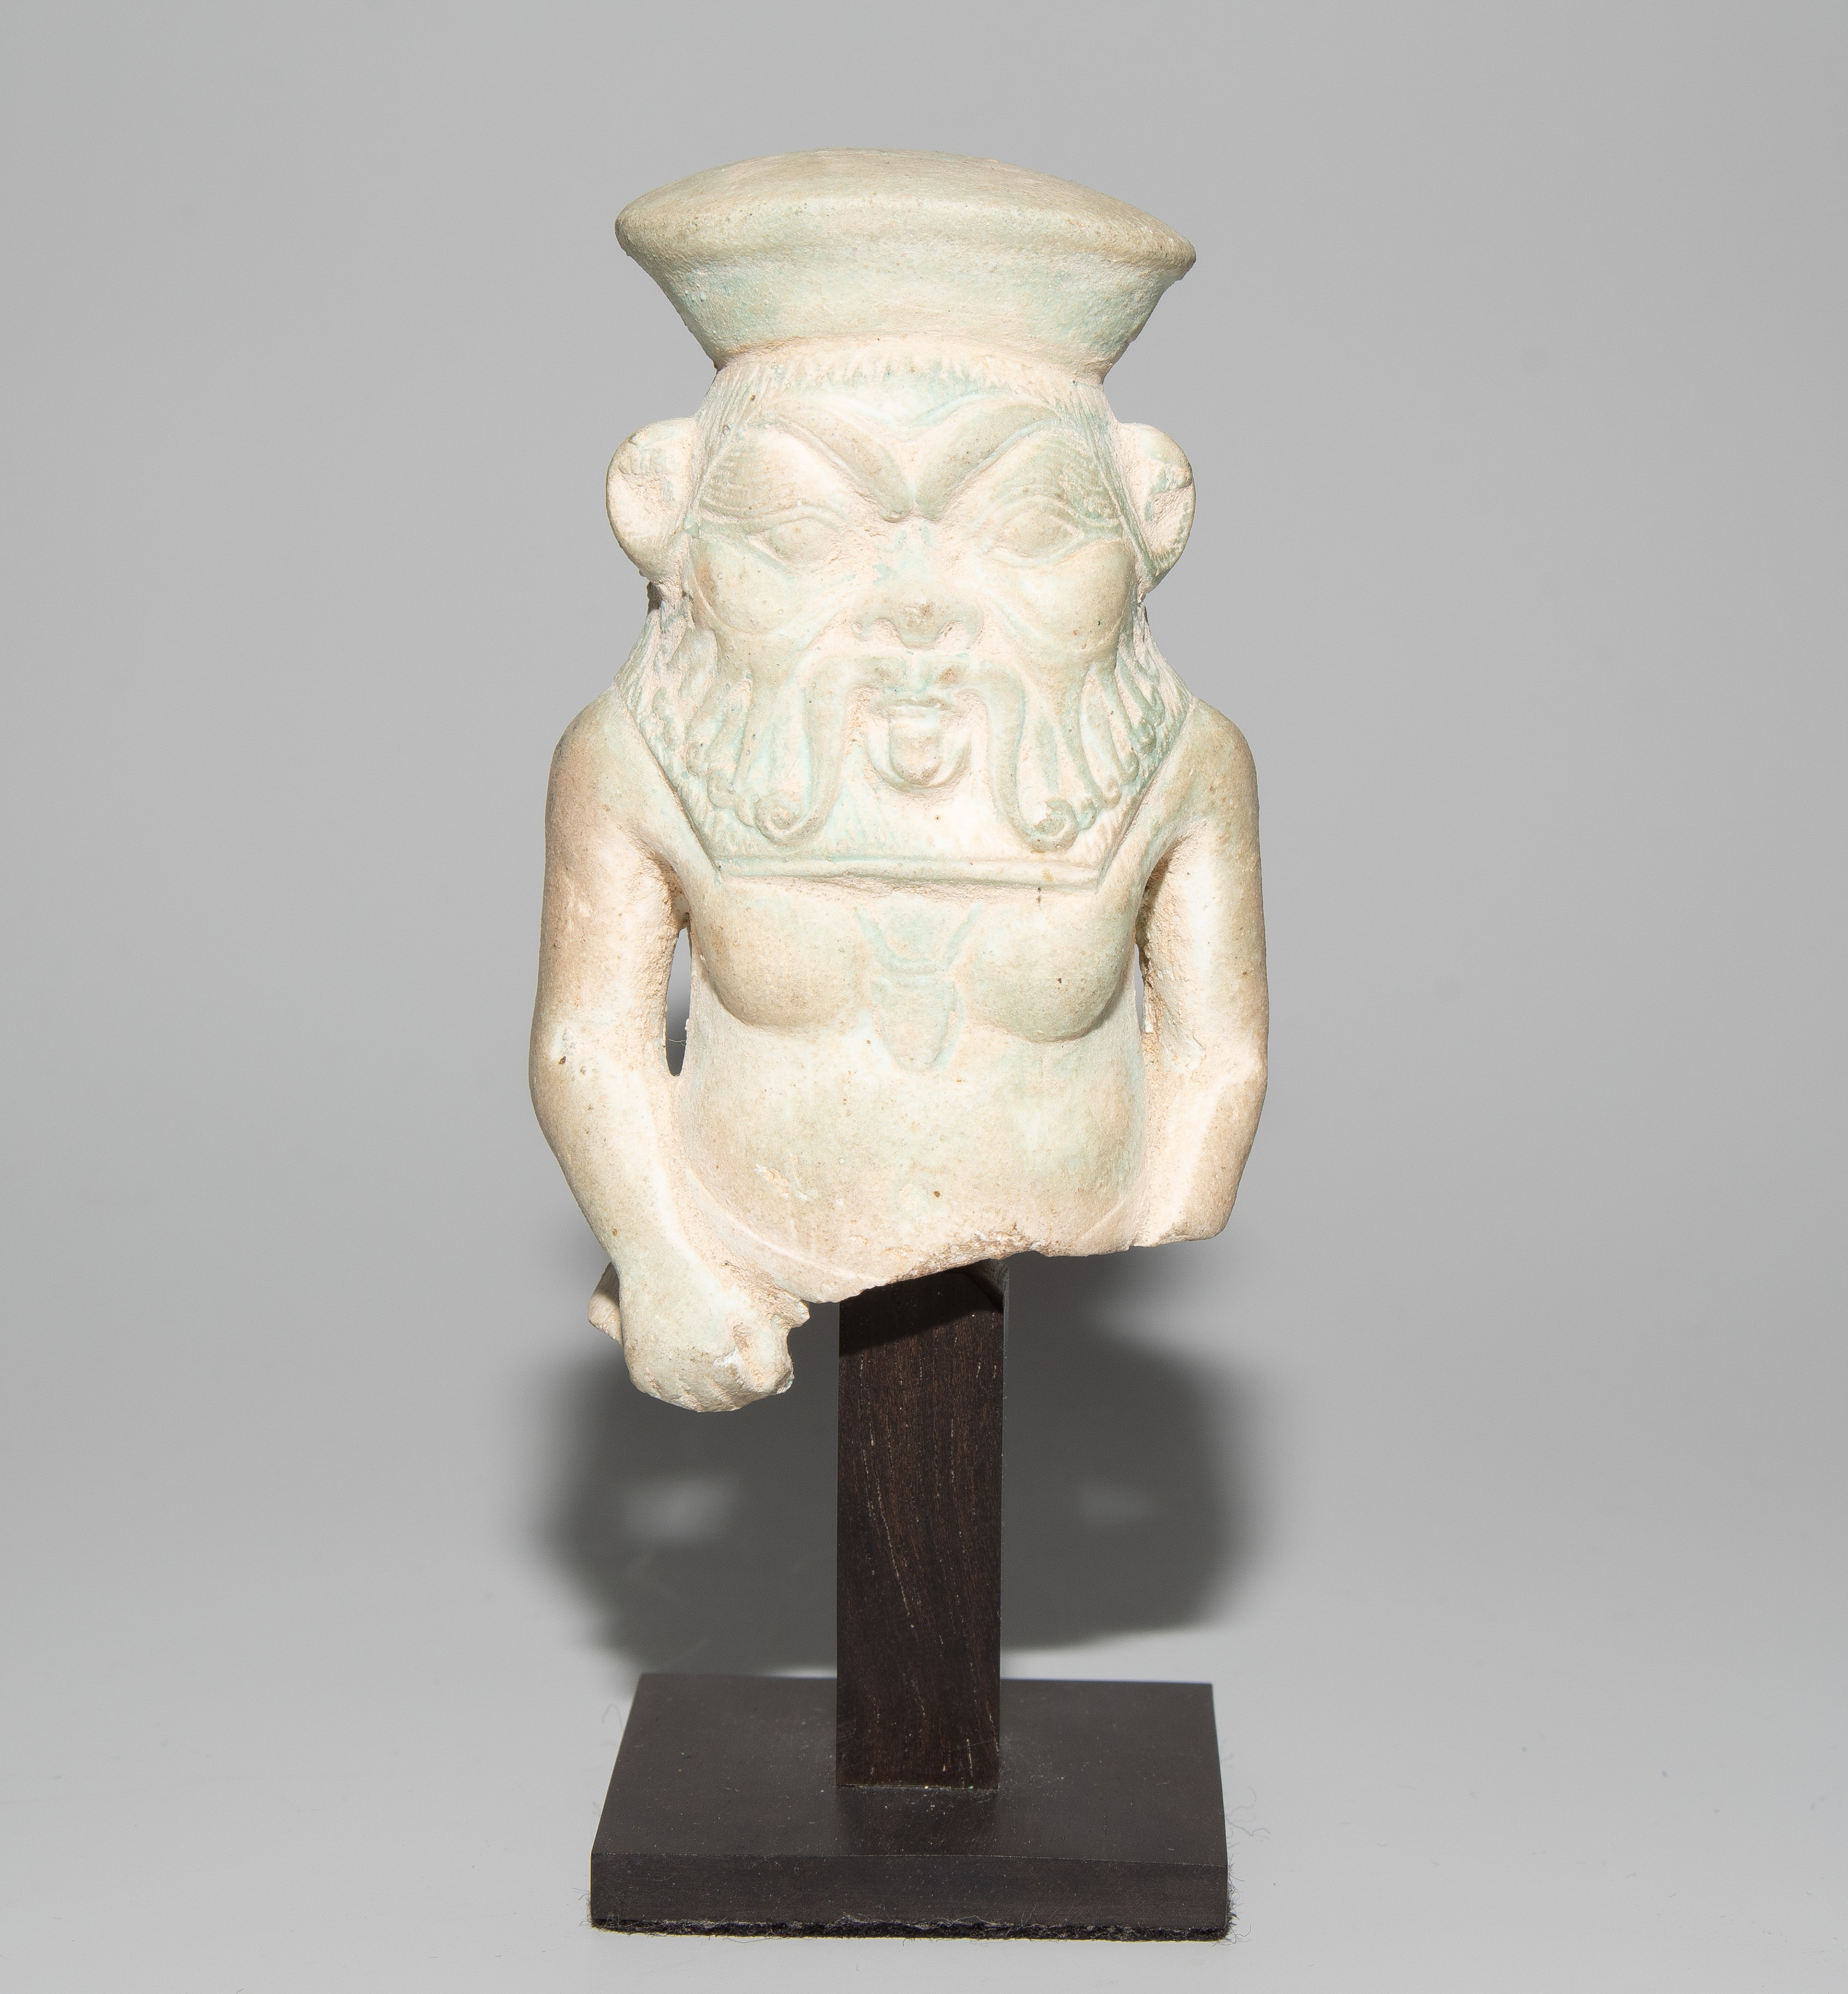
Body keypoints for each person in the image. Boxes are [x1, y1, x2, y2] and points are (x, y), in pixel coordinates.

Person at [532, 151, 1267, 1409]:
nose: (916, 600)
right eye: (803, 531)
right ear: (666, 515)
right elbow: (587, 1040)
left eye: (1027, 528)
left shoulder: (1182, 764)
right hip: (755, 1229)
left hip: (1077, 1208)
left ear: (1149, 516)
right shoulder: (633, 756)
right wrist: (659, 1255)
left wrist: (1174, 1192)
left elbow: (1218, 1053)